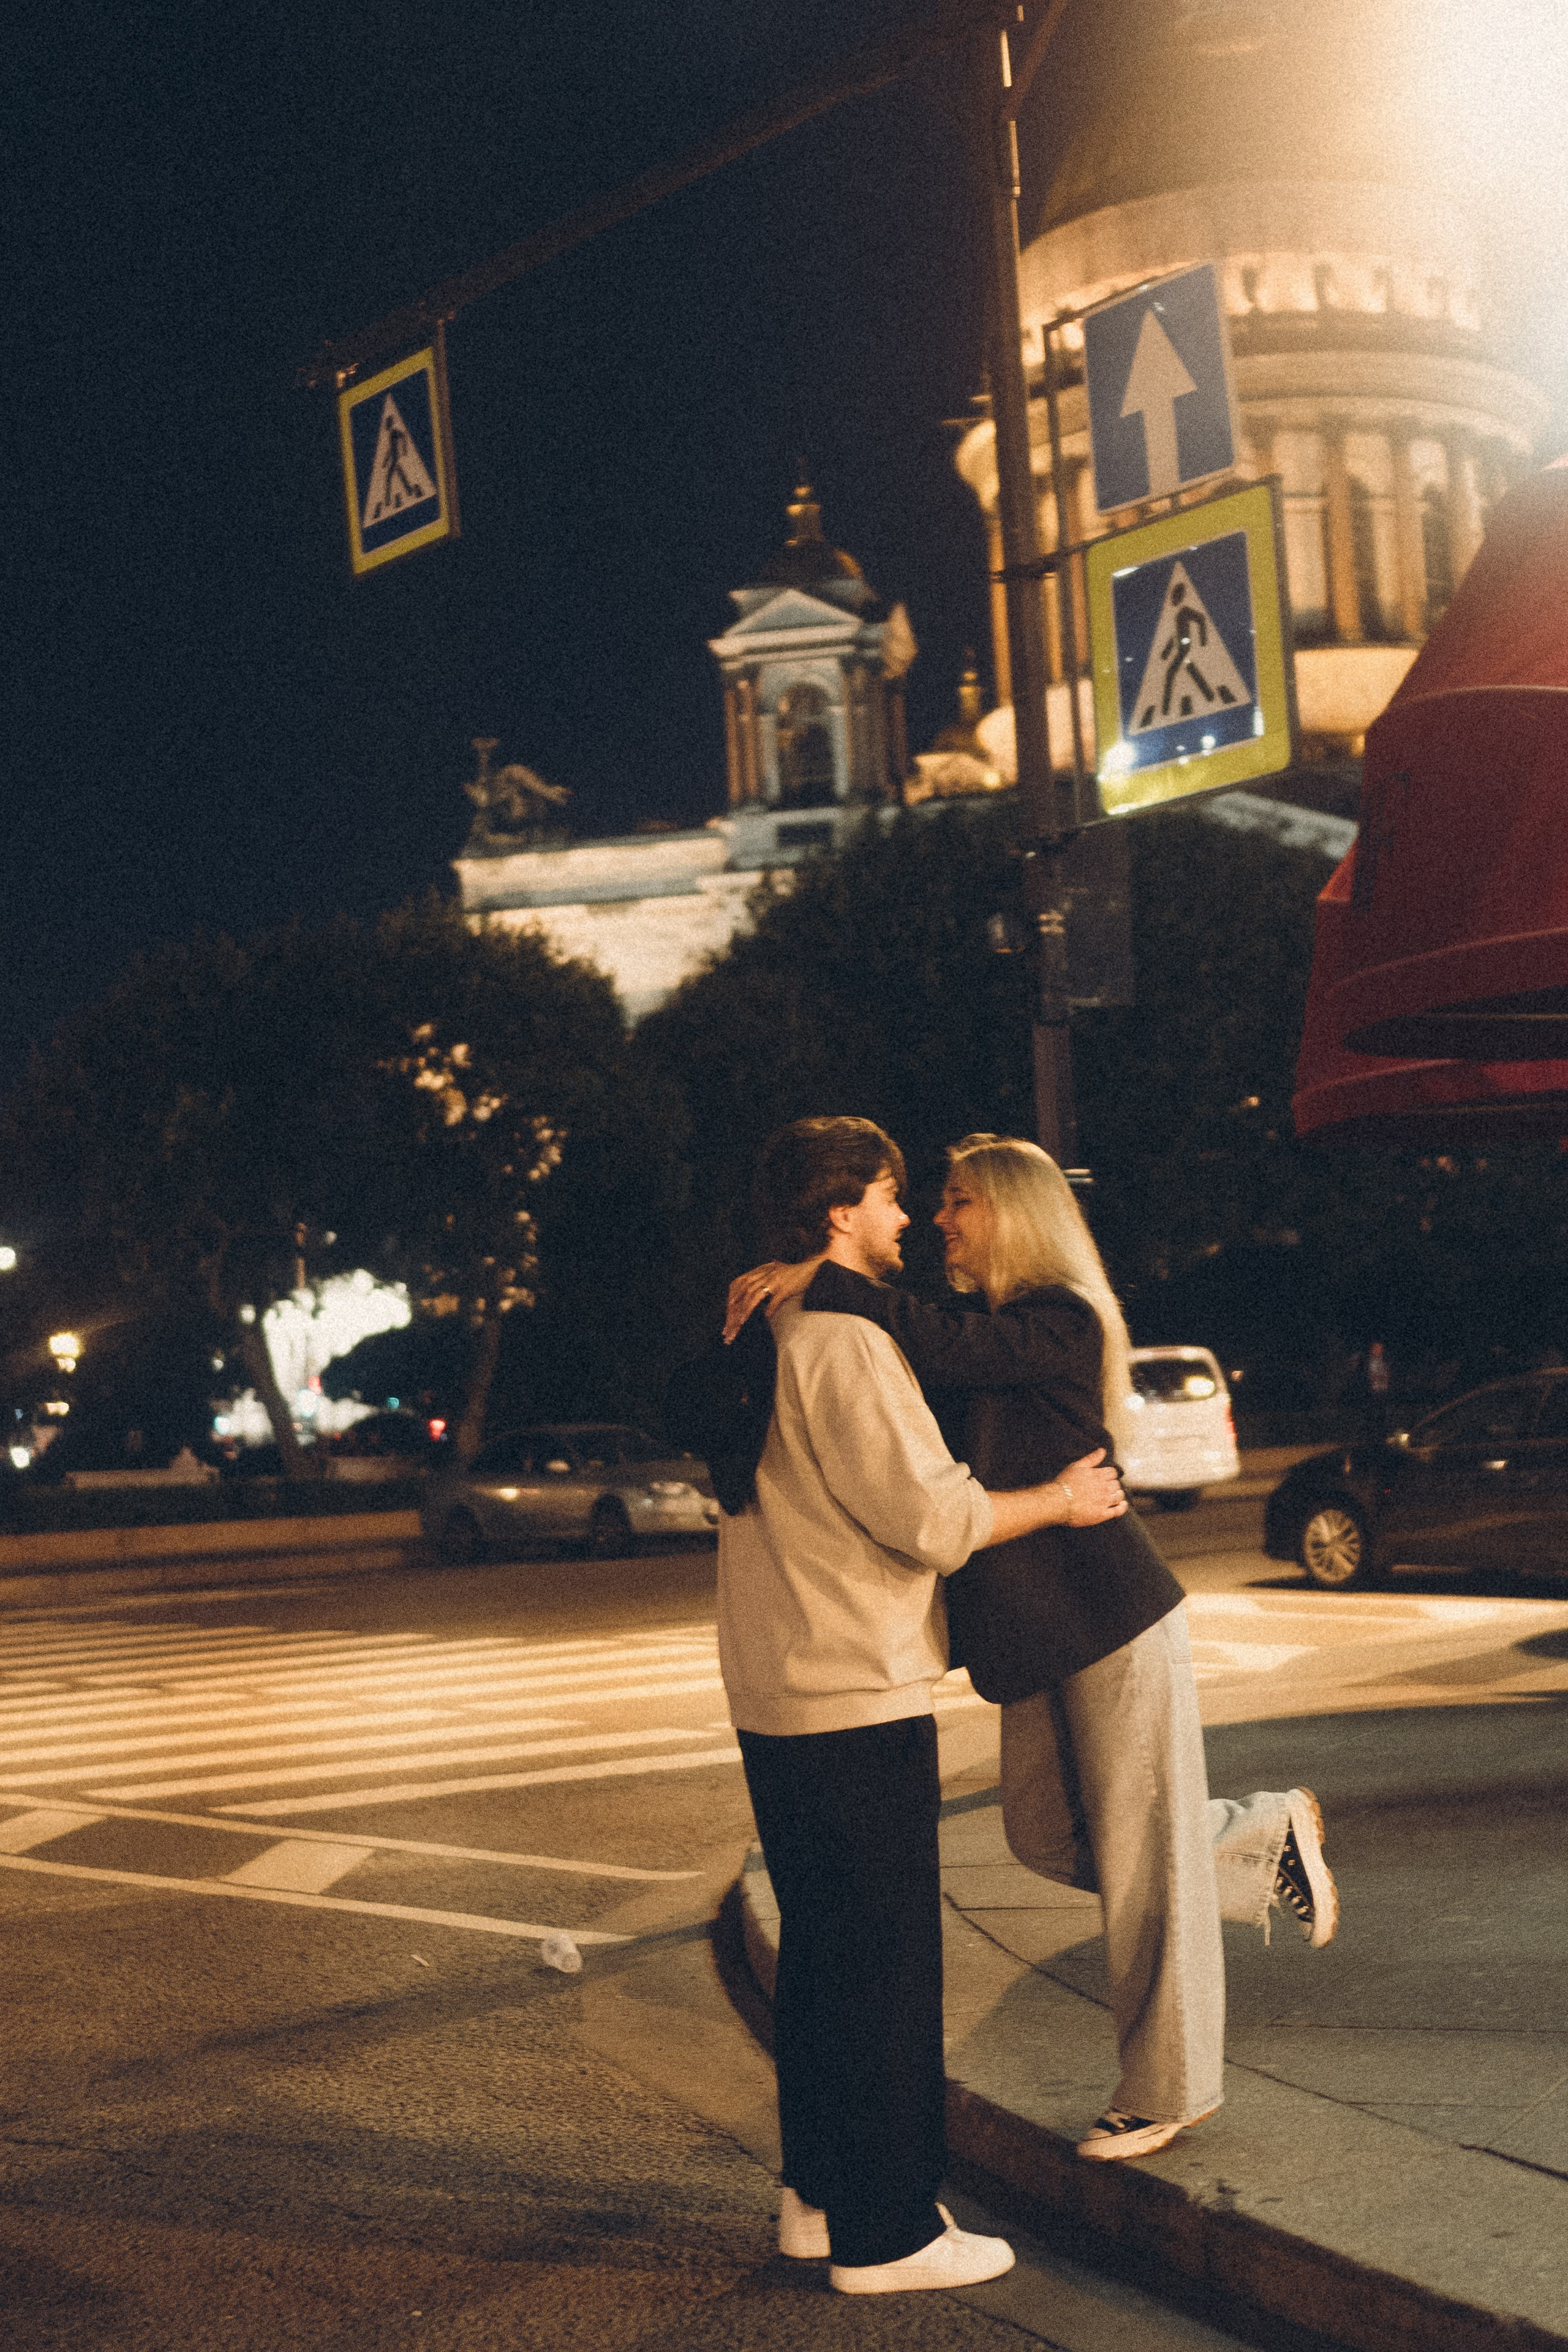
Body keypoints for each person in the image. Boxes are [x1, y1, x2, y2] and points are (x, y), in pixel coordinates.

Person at [726, 1131, 1339, 2167]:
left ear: (1015, 1212)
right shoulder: (970, 1322)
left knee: (1145, 1866)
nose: (939, 1219)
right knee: (1044, 1839)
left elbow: (937, 1343)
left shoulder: (1062, 1321)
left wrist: (820, 1273)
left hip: (1107, 1615)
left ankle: (1168, 2089)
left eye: (962, 1201)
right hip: (1033, 1631)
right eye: (933, 1200)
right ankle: (1257, 1827)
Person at [714, 1117, 1128, 2294]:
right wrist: (1056, 1498)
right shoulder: (841, 1342)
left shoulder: (759, 1319)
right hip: (851, 1682)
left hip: (775, 1682)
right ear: (845, 1208)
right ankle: (890, 2233)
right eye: (895, 1198)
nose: (907, 1220)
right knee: (887, 1969)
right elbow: (935, 1520)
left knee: (825, 1962)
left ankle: (818, 2197)